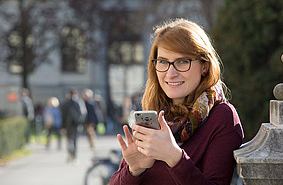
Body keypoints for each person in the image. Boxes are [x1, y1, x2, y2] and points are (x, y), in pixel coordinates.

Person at [110, 18, 244, 185]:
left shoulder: (222, 116)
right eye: (163, 62)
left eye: (182, 62)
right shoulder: (155, 116)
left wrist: (174, 157)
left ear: (205, 66)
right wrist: (134, 170)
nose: (170, 73)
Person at [61, 88, 87, 163]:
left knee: (69, 140)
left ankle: (70, 152)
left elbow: (63, 115)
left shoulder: (66, 103)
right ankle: (75, 156)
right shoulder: (79, 102)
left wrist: (63, 126)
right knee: (75, 140)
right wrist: (80, 122)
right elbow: (83, 113)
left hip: (68, 124)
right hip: (76, 124)